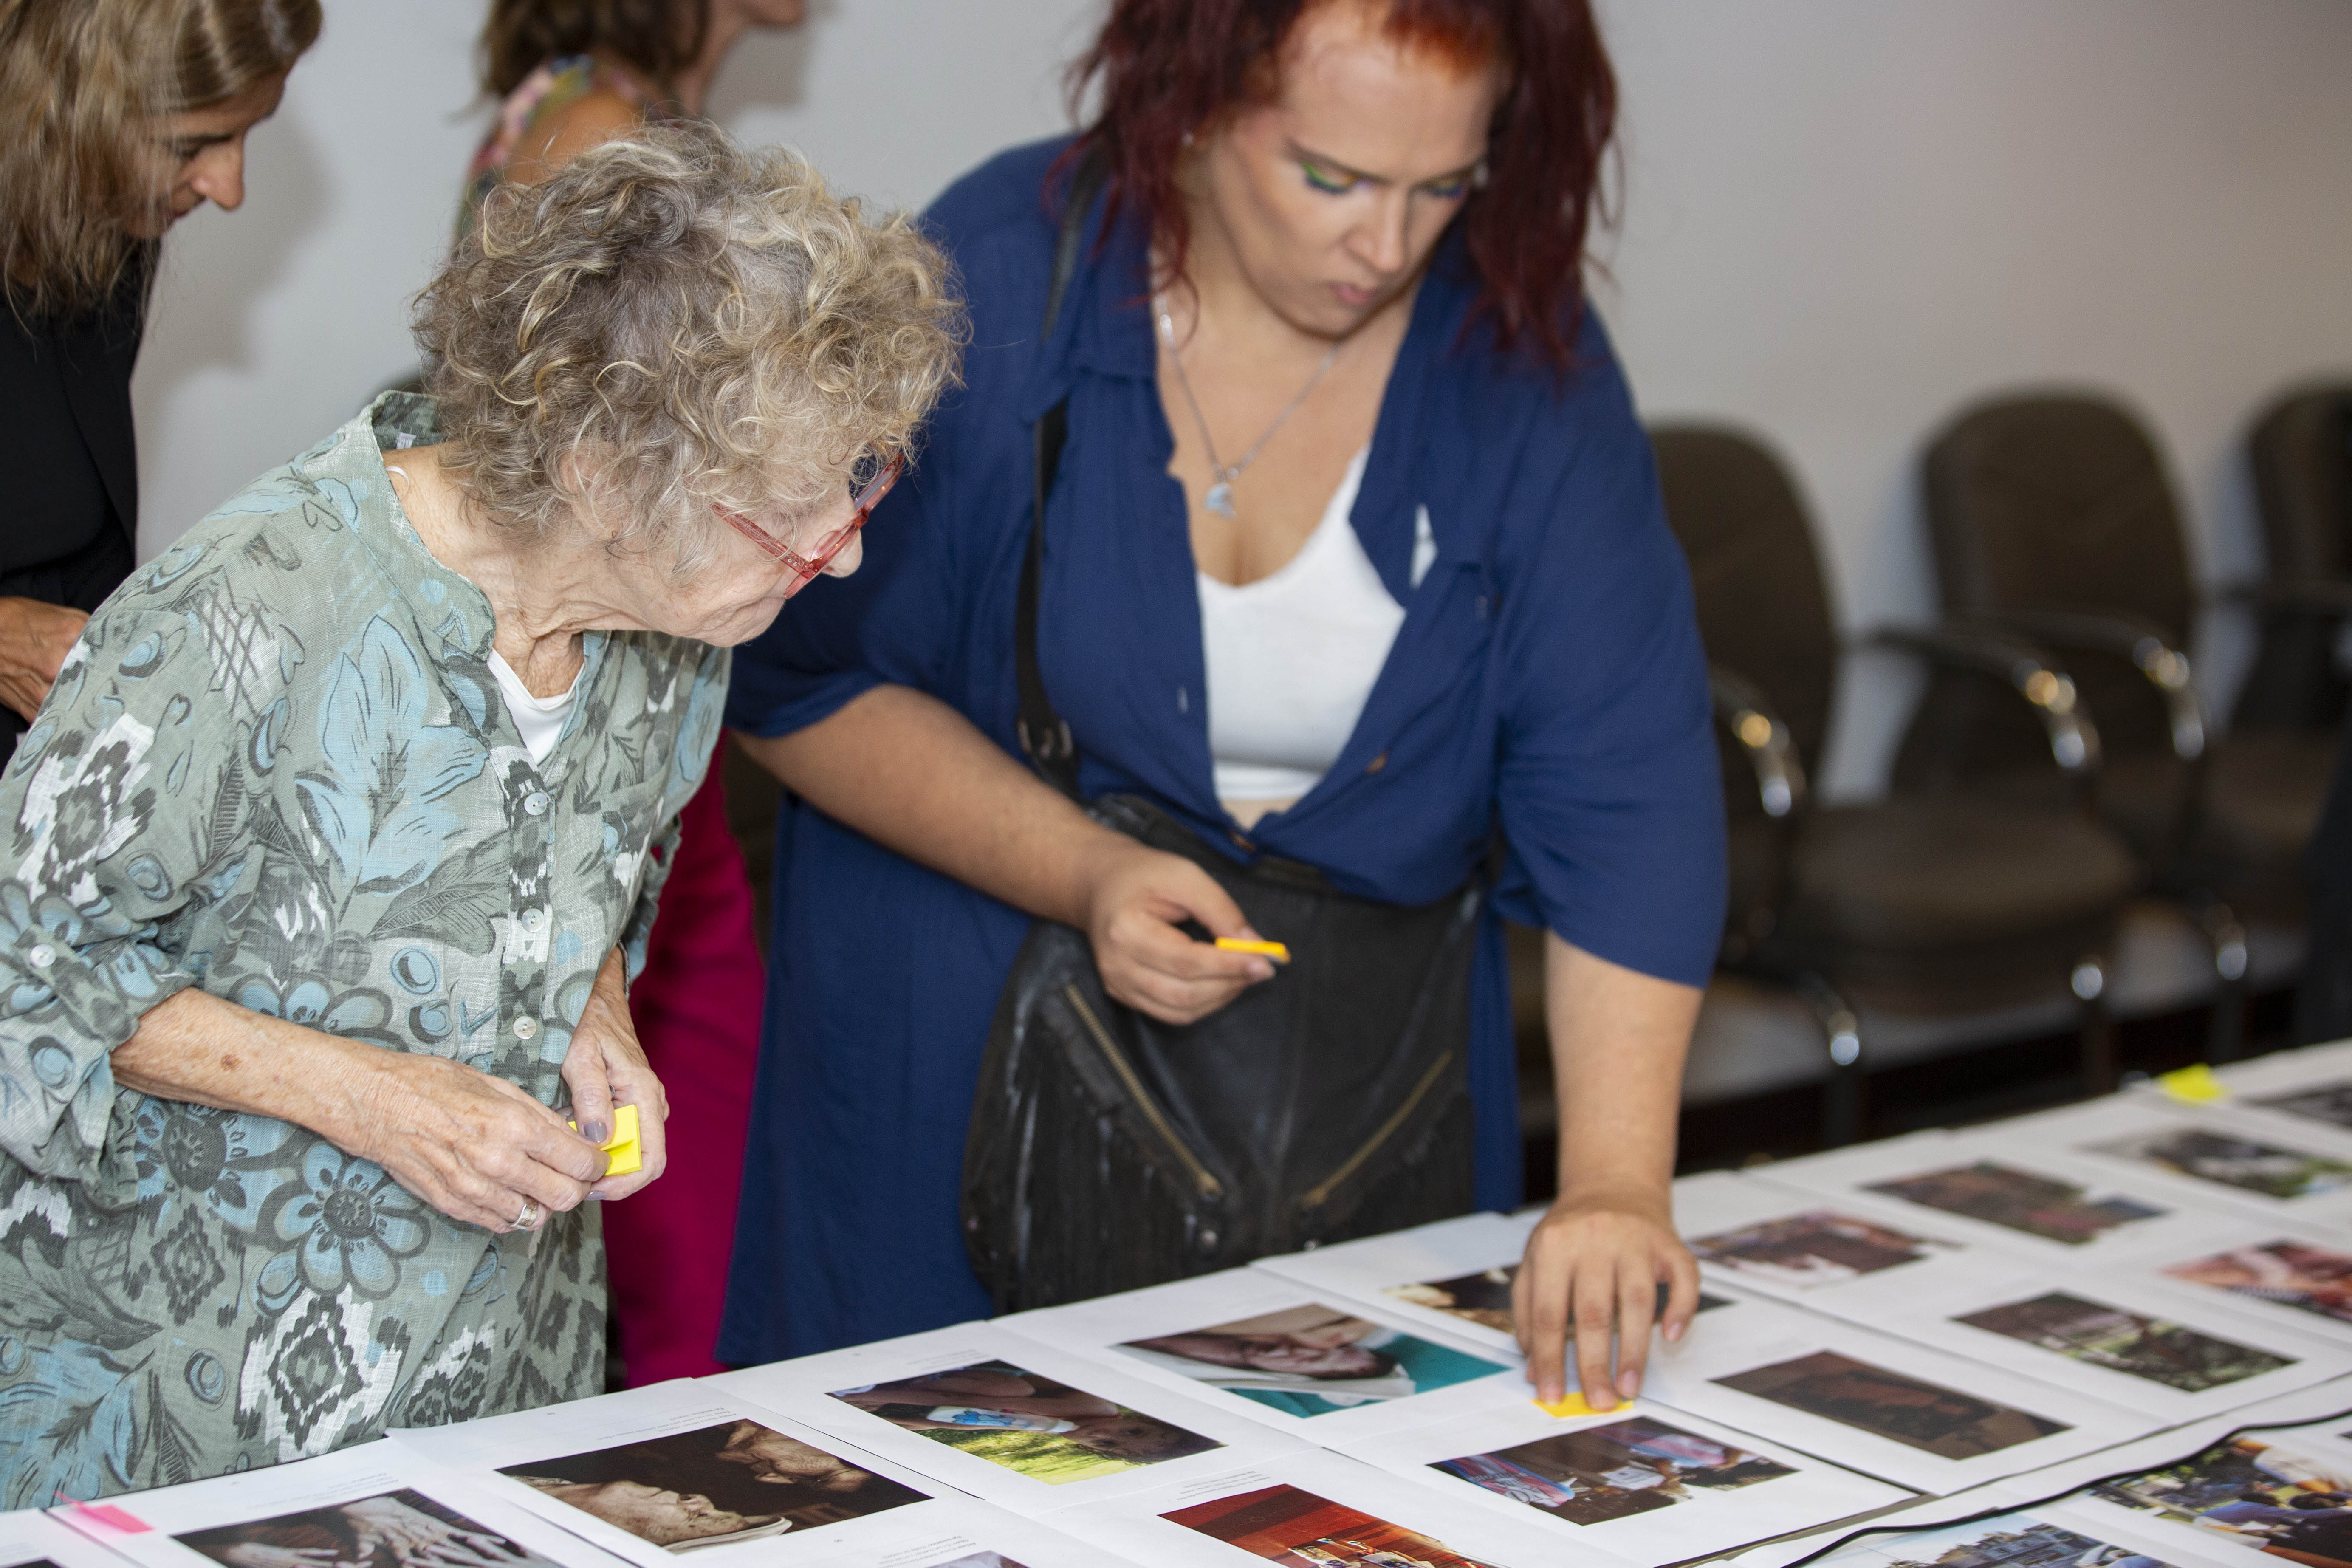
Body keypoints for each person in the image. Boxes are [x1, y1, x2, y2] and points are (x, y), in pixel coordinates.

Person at [720, 0, 1724, 1413]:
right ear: (1192, 99)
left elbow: (1629, 791)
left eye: (1443, 184)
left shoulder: (1516, 346)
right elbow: (797, 678)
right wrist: (1082, 870)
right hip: (952, 1110)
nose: (1387, 244)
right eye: (1332, 177)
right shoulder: (1002, 278)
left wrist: (1614, 1183)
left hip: (1360, 1117)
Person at [0, 122, 959, 1499]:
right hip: (184, 1416)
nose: (843, 553)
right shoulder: (254, 605)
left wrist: (592, 1008)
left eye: (857, 486)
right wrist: (367, 1095)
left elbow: (589, 876)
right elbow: (27, 964)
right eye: (790, 516)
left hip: (501, 1389)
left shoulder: (675, 637)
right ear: (601, 472)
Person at [463, 0, 808, 1387]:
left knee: (682, 1211)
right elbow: (555, 458)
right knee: (678, 1241)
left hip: (651, 721)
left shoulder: (599, 104)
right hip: (615, 725)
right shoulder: (599, 126)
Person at [0, 0, 318, 769]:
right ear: (68, 107)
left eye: (247, 132)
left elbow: (76, 525)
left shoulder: (106, 226)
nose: (229, 188)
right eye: (191, 146)